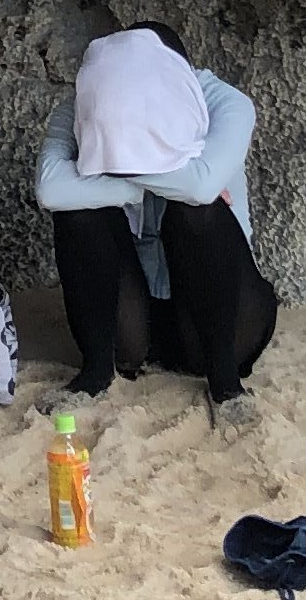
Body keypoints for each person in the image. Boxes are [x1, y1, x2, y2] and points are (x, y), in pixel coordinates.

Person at [37, 20, 278, 412]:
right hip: (136, 319)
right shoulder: (91, 101)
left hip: (222, 312)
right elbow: (51, 190)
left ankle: (226, 387)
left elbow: (200, 189)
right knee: (76, 212)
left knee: (196, 210)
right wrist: (144, 180)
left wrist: (100, 167)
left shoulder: (226, 103)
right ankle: (96, 373)